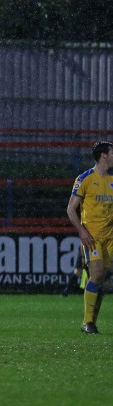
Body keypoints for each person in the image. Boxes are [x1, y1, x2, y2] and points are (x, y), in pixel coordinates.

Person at [66, 141, 113, 334]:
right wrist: (82, 231)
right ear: (103, 155)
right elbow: (71, 209)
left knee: (100, 279)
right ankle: (87, 322)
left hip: (110, 237)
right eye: (112, 153)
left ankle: (92, 322)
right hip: (92, 237)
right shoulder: (85, 178)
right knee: (97, 273)